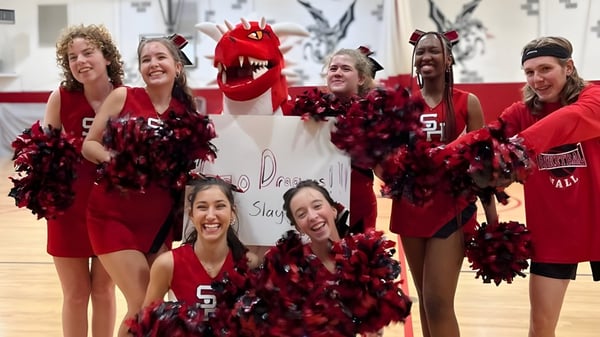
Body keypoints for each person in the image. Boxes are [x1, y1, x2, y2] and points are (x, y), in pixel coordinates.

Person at [383, 30, 497, 337]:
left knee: (438, 302)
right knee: (425, 301)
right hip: (409, 210)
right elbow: (386, 166)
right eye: (420, 52)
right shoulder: (402, 106)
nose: (426, 57)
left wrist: (494, 223)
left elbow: (484, 167)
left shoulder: (467, 103)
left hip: (452, 210)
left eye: (434, 51)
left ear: (449, 60)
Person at [81, 35, 197, 337]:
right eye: (146, 60)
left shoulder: (188, 114)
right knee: (141, 301)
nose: (153, 64)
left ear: (177, 67)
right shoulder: (123, 96)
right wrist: (116, 160)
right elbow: (89, 145)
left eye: (160, 57)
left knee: (154, 305)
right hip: (112, 216)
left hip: (159, 223)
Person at [490, 36, 600, 337]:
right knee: (540, 328)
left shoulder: (595, 99)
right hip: (553, 232)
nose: (537, 79)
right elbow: (486, 142)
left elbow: (570, 118)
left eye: (545, 68)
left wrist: (516, 146)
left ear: (569, 67)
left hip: (598, 222)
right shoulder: (519, 114)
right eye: (529, 72)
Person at [42, 24, 123, 337]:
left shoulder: (125, 95)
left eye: (88, 52)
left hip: (112, 209)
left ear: (107, 56)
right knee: (76, 294)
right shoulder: (60, 98)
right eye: (72, 56)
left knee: (104, 291)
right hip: (67, 210)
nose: (80, 60)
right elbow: (42, 153)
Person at [142, 177, 259, 310]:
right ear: (191, 214)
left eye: (220, 206)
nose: (210, 215)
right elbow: (144, 324)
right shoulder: (167, 264)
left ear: (232, 213)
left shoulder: (250, 263)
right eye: (202, 207)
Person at [324, 48, 379, 233]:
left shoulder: (374, 116)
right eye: (333, 68)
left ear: (361, 78)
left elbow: (385, 173)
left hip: (359, 208)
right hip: (318, 207)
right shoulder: (309, 113)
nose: (338, 73)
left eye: (346, 69)